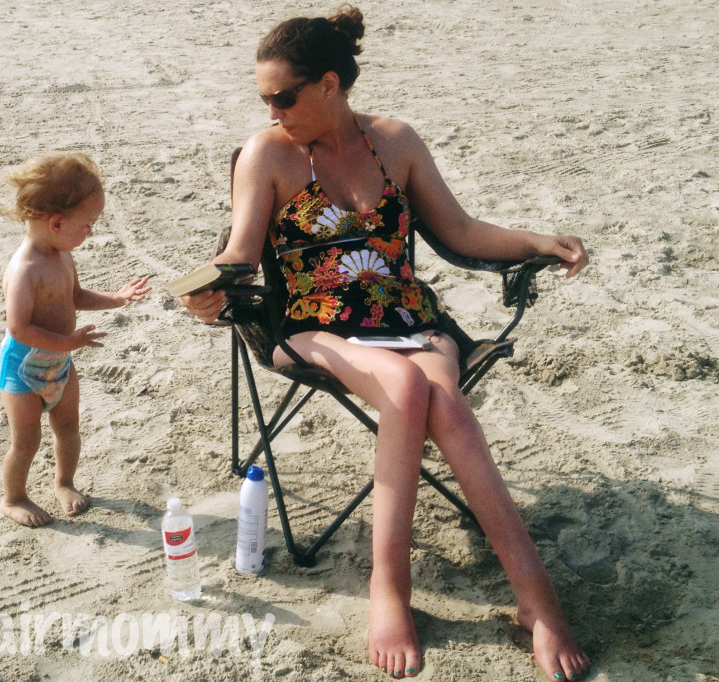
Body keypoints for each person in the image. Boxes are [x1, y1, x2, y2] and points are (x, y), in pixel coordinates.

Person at [181, 6, 590, 681]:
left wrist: (538, 241)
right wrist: (210, 293)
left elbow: (458, 230)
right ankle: (388, 589)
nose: (273, 110)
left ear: (330, 85)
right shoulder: (268, 153)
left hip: (406, 317)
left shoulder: (394, 141)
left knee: (444, 403)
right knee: (409, 387)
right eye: (264, 99)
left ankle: (537, 604)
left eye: (284, 96)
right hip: (311, 324)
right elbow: (239, 254)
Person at [0, 152, 151, 527]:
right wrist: (70, 343)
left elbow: (75, 297)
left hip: (60, 361)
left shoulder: (62, 255)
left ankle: (64, 483)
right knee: (26, 441)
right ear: (56, 222)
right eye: (88, 224)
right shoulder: (26, 269)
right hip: (23, 369)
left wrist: (115, 298)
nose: (91, 231)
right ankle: (13, 498)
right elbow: (18, 328)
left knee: (68, 429)